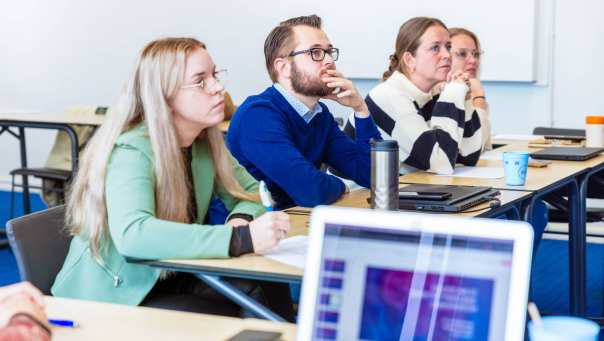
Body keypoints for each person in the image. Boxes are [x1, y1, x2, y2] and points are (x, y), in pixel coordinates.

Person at [51, 37, 294, 320]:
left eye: (215, 75)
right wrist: (238, 239)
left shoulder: (203, 141)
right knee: (237, 305)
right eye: (200, 81)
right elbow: (134, 235)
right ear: (164, 96)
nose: (218, 88)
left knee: (265, 282)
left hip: (172, 271)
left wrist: (240, 220)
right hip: (114, 298)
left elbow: (250, 191)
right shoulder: (132, 150)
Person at [227, 15, 382, 209]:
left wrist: (360, 109)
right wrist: (341, 186)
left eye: (329, 51)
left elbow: (375, 177)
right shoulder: (257, 115)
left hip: (291, 225)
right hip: (247, 229)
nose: (328, 61)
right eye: (315, 52)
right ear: (284, 67)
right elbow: (311, 191)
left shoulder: (319, 114)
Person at [344, 17, 483, 175]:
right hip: (355, 196)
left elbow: (469, 157)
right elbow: (442, 164)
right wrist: (452, 94)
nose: (447, 55)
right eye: (435, 48)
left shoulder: (429, 95)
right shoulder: (389, 96)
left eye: (448, 46)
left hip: (397, 191)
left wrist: (463, 98)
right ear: (410, 59)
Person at [449, 27, 492, 151]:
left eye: (476, 54)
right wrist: (479, 98)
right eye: (462, 54)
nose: (473, 60)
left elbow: (486, 148)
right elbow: (474, 149)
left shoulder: (470, 90)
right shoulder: (438, 95)